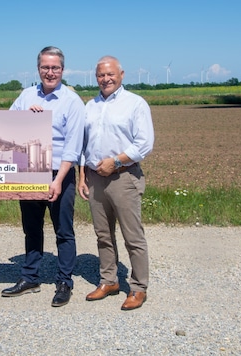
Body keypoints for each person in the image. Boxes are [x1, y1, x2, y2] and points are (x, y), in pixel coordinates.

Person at [1, 46, 85, 307]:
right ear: (38, 69)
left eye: (55, 67)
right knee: (31, 227)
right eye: (45, 67)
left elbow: (73, 145)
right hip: (30, 170)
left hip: (60, 172)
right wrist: (25, 118)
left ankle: (64, 281)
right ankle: (30, 277)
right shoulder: (26, 96)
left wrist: (59, 180)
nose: (50, 72)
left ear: (62, 69)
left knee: (63, 230)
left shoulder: (72, 101)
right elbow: (4, 126)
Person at [78, 55, 155, 311]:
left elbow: (144, 143)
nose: (106, 79)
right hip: (95, 178)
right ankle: (109, 280)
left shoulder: (135, 104)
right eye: (101, 75)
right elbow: (83, 145)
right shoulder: (90, 106)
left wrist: (117, 162)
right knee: (103, 235)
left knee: (132, 235)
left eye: (110, 74)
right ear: (96, 77)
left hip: (124, 177)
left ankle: (138, 287)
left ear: (121, 75)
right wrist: (82, 175)